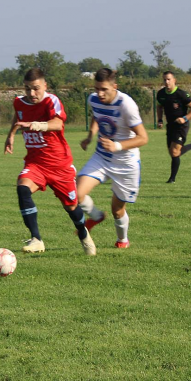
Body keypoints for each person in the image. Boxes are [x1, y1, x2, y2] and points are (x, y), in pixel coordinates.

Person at [4, 68, 96, 256]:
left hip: (59, 165)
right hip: (35, 163)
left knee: (71, 207)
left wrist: (35, 125)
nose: (31, 93)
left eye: (36, 88)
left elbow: (57, 124)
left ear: (44, 86)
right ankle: (36, 239)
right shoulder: (19, 102)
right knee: (22, 188)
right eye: (27, 89)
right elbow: (17, 116)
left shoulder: (51, 101)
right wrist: (11, 136)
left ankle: (84, 234)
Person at [77, 68, 148, 249]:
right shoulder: (93, 99)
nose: (99, 94)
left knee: (117, 210)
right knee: (77, 194)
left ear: (114, 87)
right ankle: (96, 216)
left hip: (126, 164)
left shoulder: (126, 105)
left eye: (104, 90)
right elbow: (96, 115)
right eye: (96, 89)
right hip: (102, 157)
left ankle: (122, 240)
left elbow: (143, 138)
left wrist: (117, 146)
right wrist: (90, 136)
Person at [156, 71, 191, 183]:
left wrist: (185, 118)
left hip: (181, 126)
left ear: (174, 80)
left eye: (169, 79)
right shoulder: (161, 94)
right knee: (174, 152)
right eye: (164, 79)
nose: (166, 82)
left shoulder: (181, 94)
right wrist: (160, 120)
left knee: (174, 152)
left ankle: (172, 179)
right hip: (170, 126)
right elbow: (159, 107)